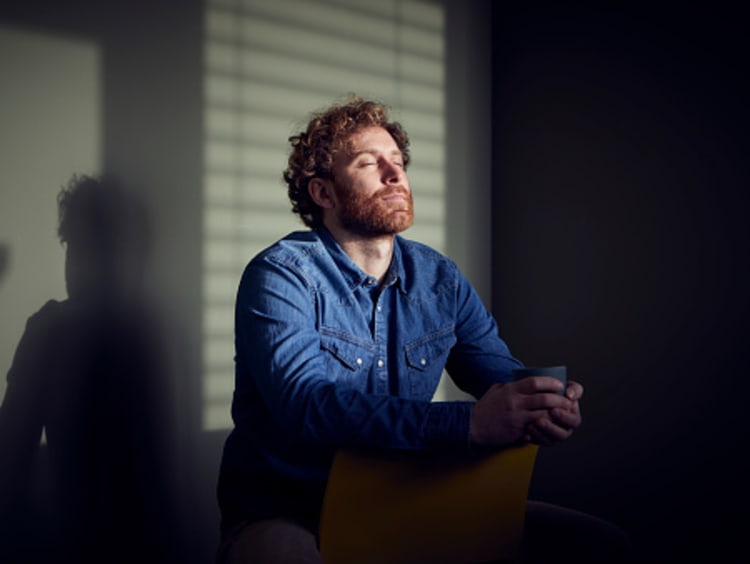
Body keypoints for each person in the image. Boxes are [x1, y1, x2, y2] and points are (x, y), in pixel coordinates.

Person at [216, 98, 630, 563]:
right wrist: (469, 424)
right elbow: (307, 406)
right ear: (323, 194)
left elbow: (499, 378)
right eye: (370, 163)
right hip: (291, 508)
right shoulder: (281, 274)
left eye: (398, 162)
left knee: (599, 544)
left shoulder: (440, 278)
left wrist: (540, 403)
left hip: (409, 494)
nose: (395, 175)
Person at [0, 175, 178, 564]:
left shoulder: (61, 330)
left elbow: (10, 456)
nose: (76, 261)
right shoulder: (147, 329)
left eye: (88, 245)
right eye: (72, 245)